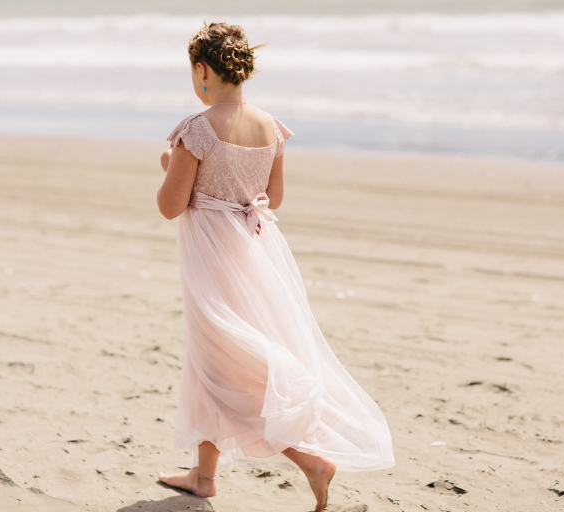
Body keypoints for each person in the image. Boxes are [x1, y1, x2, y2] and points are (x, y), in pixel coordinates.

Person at [155, 22, 394, 512]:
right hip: (254, 254)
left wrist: (169, 165)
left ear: (202, 70)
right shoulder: (270, 127)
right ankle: (204, 475)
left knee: (221, 364)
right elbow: (274, 196)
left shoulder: (197, 129)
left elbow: (170, 205)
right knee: (211, 359)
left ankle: (310, 461)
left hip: (213, 257)